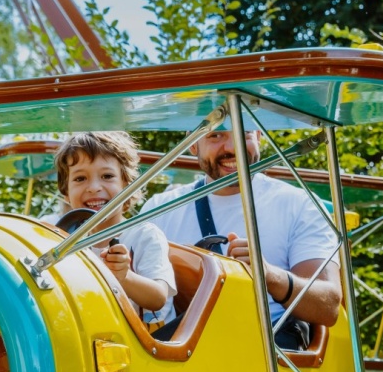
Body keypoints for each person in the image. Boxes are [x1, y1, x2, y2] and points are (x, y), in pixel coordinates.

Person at [140, 128, 342, 349]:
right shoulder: (159, 209)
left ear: (259, 137)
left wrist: (269, 275)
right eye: (216, 135)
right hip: (177, 355)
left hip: (266, 357)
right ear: (193, 144)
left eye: (243, 133)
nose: (232, 147)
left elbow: (329, 306)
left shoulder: (300, 204)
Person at [55, 132, 176, 332]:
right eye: (80, 178)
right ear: (66, 192)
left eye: (107, 176)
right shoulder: (64, 239)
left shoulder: (144, 235)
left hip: (141, 343)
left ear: (127, 186)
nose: (94, 187)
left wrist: (125, 277)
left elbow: (158, 297)